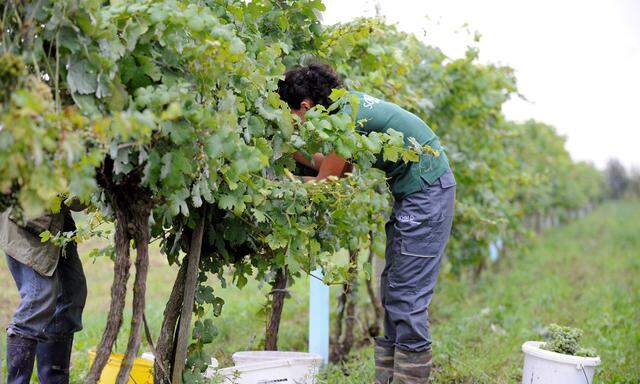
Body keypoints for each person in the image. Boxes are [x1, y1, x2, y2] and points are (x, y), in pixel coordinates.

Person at [278, 63, 456, 384]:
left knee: (406, 295)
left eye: (290, 116)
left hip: (427, 192)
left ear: (304, 107)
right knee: (393, 291)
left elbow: (327, 181)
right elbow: (338, 167)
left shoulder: (341, 119)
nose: (292, 123)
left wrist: (280, 183)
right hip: (417, 193)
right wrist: (289, 154)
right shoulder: (344, 108)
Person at [1, 201, 87, 384]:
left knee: (70, 294)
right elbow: (77, 199)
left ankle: (54, 380)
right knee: (38, 296)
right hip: (28, 218)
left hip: (55, 220)